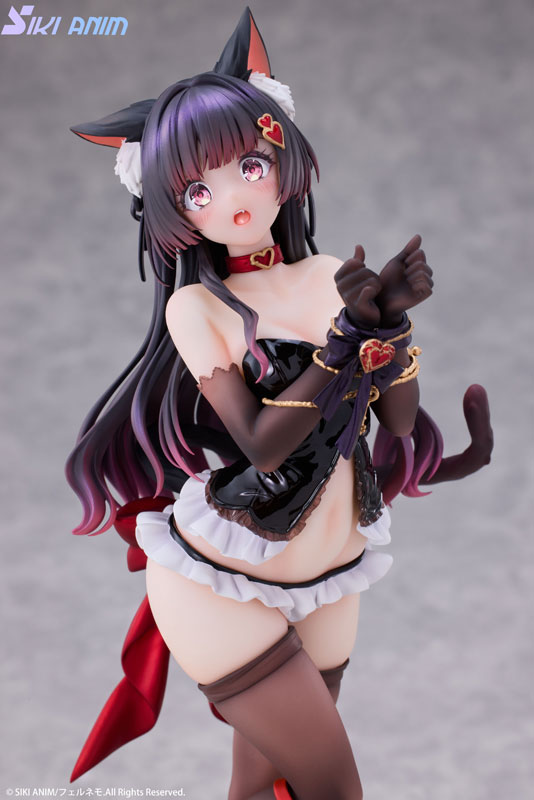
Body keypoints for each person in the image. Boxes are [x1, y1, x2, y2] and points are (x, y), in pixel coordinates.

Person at [66, 9, 493, 799]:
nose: (233, 197)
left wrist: (390, 327)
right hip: (221, 580)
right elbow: (263, 444)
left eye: (249, 165)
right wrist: (345, 340)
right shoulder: (198, 308)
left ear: (281, 157)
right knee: (336, 788)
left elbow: (397, 421)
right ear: (173, 210)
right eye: (199, 188)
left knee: (262, 788)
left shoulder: (329, 274)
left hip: (330, 576)